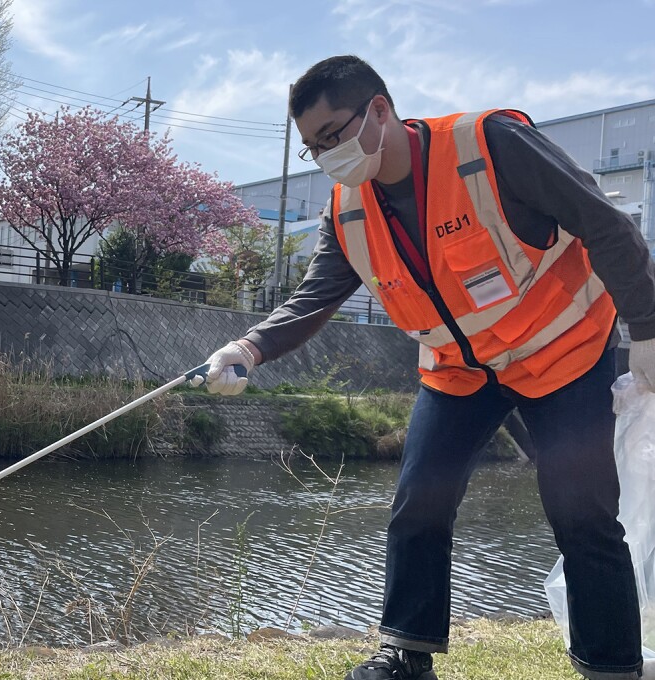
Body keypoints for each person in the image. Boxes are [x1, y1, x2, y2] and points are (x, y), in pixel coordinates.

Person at [194, 55, 655, 680]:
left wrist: (648, 331)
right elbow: (317, 295)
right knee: (419, 499)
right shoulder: (347, 207)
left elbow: (607, 226)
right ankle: (406, 654)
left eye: (333, 135)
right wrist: (245, 348)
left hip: (562, 354)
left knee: (581, 509)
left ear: (380, 109)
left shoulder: (491, 146)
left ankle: (611, 667)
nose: (328, 155)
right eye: (313, 147)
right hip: (459, 371)